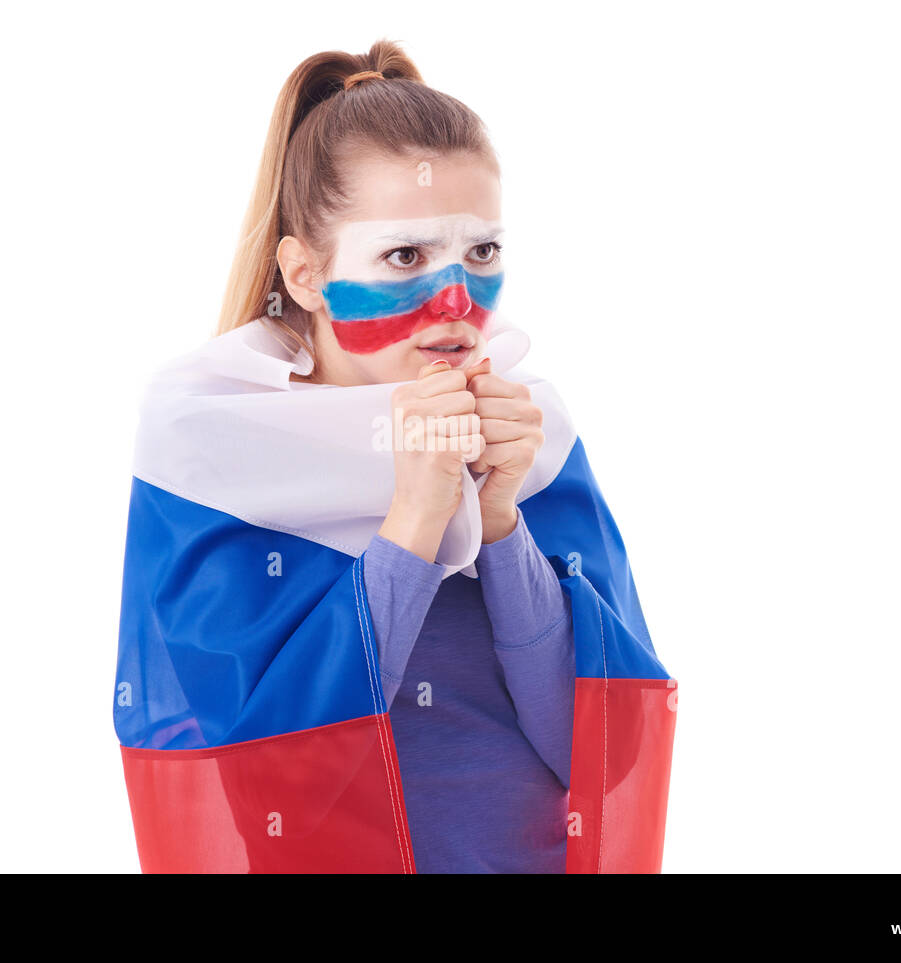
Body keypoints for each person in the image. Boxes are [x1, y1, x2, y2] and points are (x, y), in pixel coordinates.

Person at [113, 39, 677, 874]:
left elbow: (608, 755)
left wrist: (498, 526)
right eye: (405, 256)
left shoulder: (534, 440)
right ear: (305, 273)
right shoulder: (220, 453)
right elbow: (276, 793)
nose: (456, 302)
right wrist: (414, 520)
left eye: (480, 254)